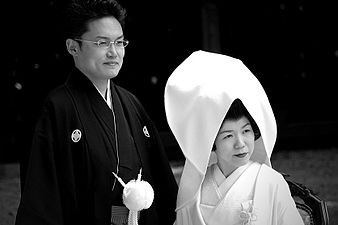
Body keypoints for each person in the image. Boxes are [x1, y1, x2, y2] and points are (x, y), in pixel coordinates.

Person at [15, 0, 178, 224]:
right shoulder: (57, 108)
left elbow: (160, 178)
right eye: (102, 43)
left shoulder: (131, 103)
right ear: (73, 47)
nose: (114, 52)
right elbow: (42, 193)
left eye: (120, 43)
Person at [164, 50, 304, 225]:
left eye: (246, 131)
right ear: (212, 142)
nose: (240, 144)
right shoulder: (196, 188)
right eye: (228, 135)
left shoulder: (270, 182)